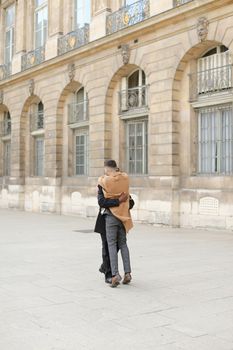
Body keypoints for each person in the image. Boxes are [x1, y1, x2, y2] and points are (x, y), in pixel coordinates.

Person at [97, 160, 133, 288]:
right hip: (123, 216)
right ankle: (127, 273)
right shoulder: (125, 179)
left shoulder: (104, 181)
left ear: (107, 169)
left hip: (110, 217)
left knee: (111, 245)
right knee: (123, 244)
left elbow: (101, 202)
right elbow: (130, 200)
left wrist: (115, 200)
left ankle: (115, 275)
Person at [94, 187, 128, 284]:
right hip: (104, 221)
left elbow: (131, 203)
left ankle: (104, 266)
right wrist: (119, 201)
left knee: (116, 247)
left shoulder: (122, 184)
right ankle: (108, 275)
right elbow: (102, 202)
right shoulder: (103, 185)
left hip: (120, 221)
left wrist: (126, 202)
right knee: (106, 248)